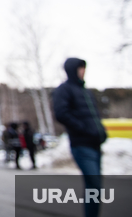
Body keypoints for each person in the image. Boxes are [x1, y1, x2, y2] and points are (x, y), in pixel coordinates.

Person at [52, 58, 107, 217]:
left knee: (95, 186)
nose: (83, 71)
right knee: (94, 184)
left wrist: (101, 131)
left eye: (84, 68)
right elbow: (61, 114)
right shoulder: (65, 89)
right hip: (81, 144)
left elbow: (94, 116)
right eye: (80, 68)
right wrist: (83, 129)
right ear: (72, 70)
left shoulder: (86, 91)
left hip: (95, 143)